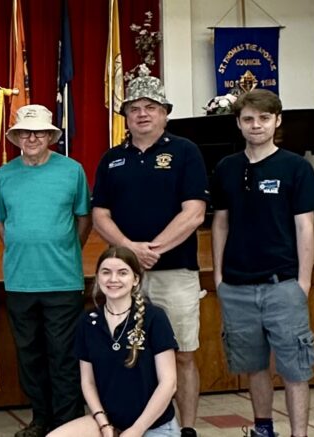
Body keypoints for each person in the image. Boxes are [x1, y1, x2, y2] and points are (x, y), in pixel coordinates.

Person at [91, 65, 207, 437]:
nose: (142, 113)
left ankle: (186, 428)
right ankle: (136, 425)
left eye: (151, 106)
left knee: (184, 353)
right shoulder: (111, 159)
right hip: (123, 277)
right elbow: (99, 215)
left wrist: (152, 249)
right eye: (135, 107)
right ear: (124, 114)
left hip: (176, 272)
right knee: (129, 355)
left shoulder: (186, 152)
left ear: (165, 112)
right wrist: (130, 251)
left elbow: (194, 213)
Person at [210, 89, 314, 437]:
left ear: (277, 121)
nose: (255, 125)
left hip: (282, 284)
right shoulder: (227, 168)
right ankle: (263, 428)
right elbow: (220, 223)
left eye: (263, 118)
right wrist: (217, 276)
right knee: (254, 367)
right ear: (238, 124)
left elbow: (306, 226)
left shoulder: (296, 167)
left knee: (295, 368)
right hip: (237, 286)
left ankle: (299, 433)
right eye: (248, 119)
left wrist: (303, 282)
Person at [0, 104, 92, 437]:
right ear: (17, 136)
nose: (32, 137)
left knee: (64, 355)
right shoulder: (4, 174)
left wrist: (66, 250)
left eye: (39, 132)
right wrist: (21, 248)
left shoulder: (72, 170)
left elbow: (84, 217)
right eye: (25, 131)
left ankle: (67, 422)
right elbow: (0, 221)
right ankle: (40, 420)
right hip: (20, 281)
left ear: (51, 136)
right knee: (30, 356)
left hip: (63, 280)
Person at [49, 246, 179, 437]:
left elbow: (169, 383)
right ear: (98, 277)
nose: (113, 279)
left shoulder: (155, 318)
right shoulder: (88, 321)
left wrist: (137, 430)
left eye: (122, 273)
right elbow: (88, 382)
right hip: (108, 423)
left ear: (135, 279)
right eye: (106, 272)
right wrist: (103, 423)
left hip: (153, 426)